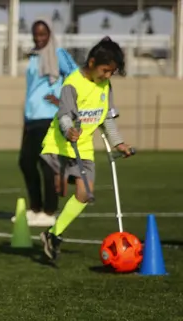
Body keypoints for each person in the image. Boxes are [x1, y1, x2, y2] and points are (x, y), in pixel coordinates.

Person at [40, 37, 134, 261]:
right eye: (105, 70)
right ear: (92, 62)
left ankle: (52, 234)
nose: (108, 76)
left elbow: (107, 118)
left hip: (84, 150)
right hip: (59, 146)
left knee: (84, 194)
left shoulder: (105, 85)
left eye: (112, 72)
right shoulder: (72, 83)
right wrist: (68, 130)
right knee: (61, 190)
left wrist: (117, 142)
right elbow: (64, 114)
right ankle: (54, 185)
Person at [16, 19, 78, 227]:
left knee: (47, 164)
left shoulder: (59, 54)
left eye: (43, 34)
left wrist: (64, 101)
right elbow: (32, 90)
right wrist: (25, 117)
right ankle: (35, 209)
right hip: (32, 118)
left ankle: (49, 211)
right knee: (25, 162)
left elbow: (76, 76)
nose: (39, 38)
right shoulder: (33, 57)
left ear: (50, 34)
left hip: (50, 117)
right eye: (36, 34)